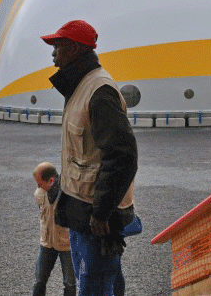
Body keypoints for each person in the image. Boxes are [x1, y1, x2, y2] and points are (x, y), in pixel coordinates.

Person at [41, 20, 138, 296]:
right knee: (100, 280)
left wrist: (102, 212)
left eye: (57, 47)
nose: (53, 55)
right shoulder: (80, 86)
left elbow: (123, 156)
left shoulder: (99, 91)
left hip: (97, 218)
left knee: (95, 286)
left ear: (73, 49)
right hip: (82, 212)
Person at [32, 162, 76, 296]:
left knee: (70, 283)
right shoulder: (39, 194)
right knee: (39, 280)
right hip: (46, 243)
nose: (38, 186)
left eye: (40, 183)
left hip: (67, 245)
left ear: (51, 180)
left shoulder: (69, 193)